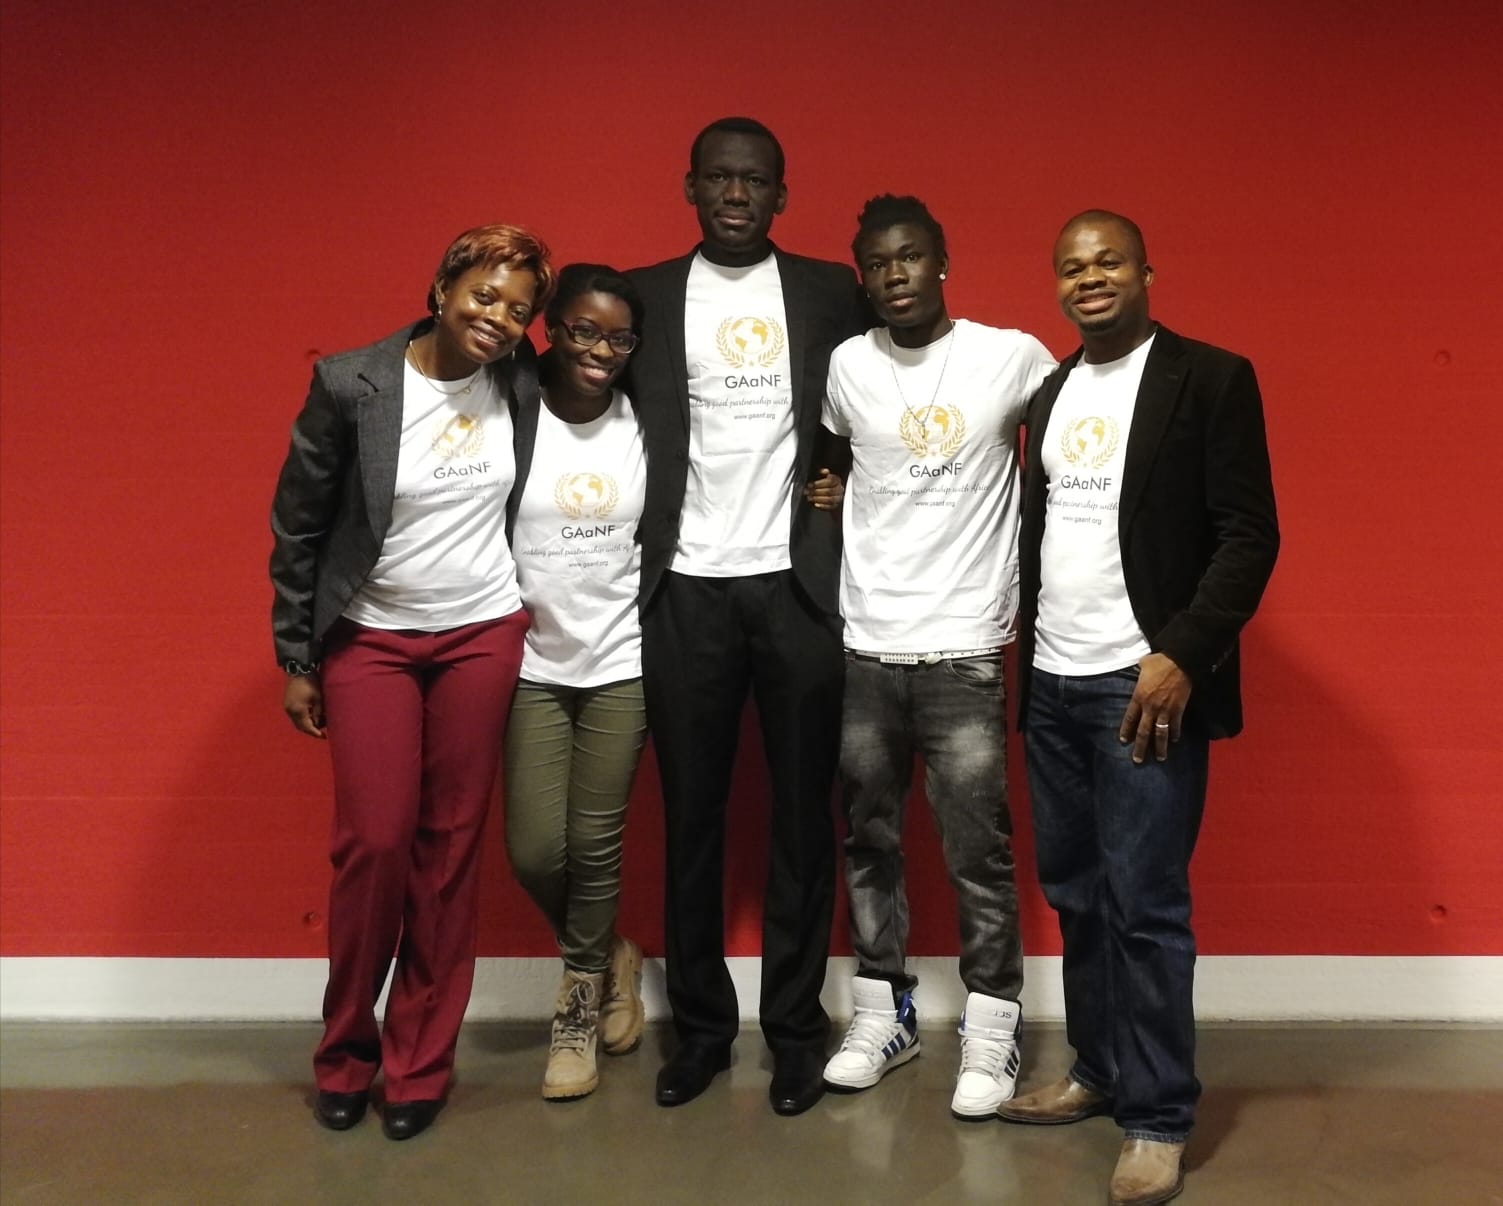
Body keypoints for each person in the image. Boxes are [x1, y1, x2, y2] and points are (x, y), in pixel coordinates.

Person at [1001, 210, 1279, 1206]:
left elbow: (1248, 535)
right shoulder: (1054, 388)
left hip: (1142, 685)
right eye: (1071, 266)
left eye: (1107, 260)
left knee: (1146, 906)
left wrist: (1181, 657)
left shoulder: (1210, 379)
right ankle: (1100, 1067)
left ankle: (1157, 1118)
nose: (1089, 278)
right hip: (1054, 686)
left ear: (1147, 270)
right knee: (1076, 890)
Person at [269, 224, 554, 1141]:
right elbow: (298, 529)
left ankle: (419, 1062)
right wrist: (298, 657)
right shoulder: (352, 383)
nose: (497, 318)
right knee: (375, 845)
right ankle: (345, 1052)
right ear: (441, 287)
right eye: (483, 295)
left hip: (481, 635)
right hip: (374, 640)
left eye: (517, 309)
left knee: (448, 853)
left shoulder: (521, 384)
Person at [625, 116, 866, 1116]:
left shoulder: (830, 293)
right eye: (718, 178)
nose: (735, 193)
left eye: (754, 181)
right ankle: (703, 1031)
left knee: (806, 817)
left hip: (797, 589)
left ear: (781, 197)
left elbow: (880, 404)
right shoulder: (639, 297)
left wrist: (834, 485)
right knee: (692, 819)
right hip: (683, 589)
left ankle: (799, 1032)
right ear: (688, 187)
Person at [818, 195, 1056, 1118]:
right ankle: (884, 1013)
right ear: (864, 276)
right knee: (867, 839)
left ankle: (992, 1029)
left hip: (963, 646)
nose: (895, 275)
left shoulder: (1010, 355)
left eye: (910, 257)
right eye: (877, 264)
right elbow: (828, 466)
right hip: (866, 643)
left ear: (942, 261)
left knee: (976, 853)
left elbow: (1079, 447)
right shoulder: (846, 366)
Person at [502, 264, 650, 1101]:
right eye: (584, 331)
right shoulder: (511, 414)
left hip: (622, 658)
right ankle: (614, 953)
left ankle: (577, 1003)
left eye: (618, 337)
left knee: (593, 846)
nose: (600, 350)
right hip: (532, 661)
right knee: (532, 849)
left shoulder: (644, 420)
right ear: (551, 328)